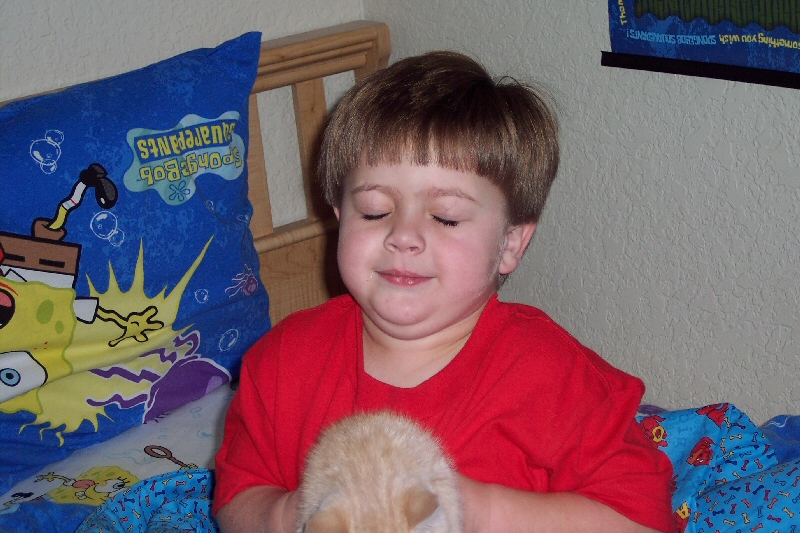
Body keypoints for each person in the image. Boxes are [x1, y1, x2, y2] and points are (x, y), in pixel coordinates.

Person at [213, 51, 675, 533]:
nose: (403, 235)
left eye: (446, 217)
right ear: (340, 216)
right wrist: (298, 513)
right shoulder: (281, 361)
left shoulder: (556, 378)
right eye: (374, 210)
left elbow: (643, 520)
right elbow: (237, 497)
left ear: (510, 244)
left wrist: (479, 511)